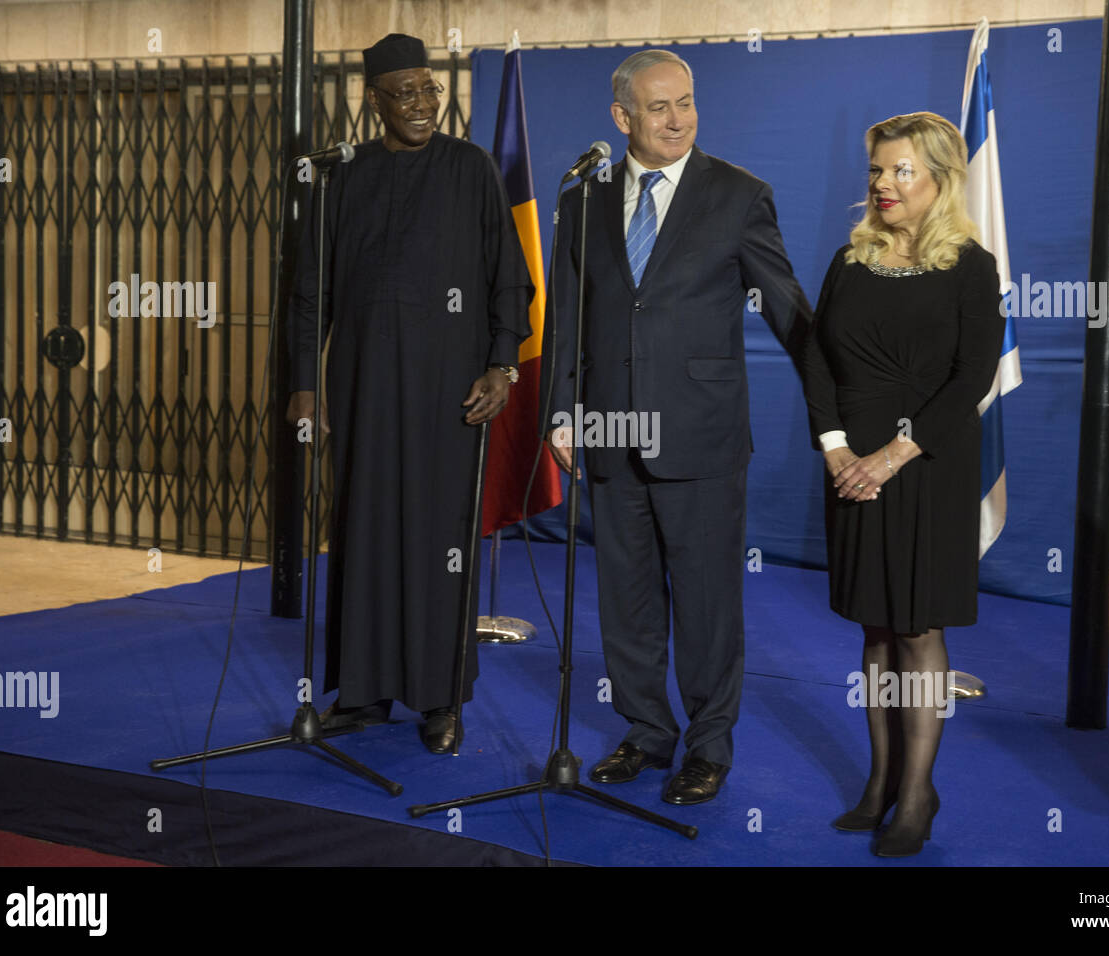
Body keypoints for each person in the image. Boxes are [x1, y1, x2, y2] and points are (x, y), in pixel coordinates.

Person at [543, 49, 811, 805]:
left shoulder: (739, 195)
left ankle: (708, 746)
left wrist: (849, 396)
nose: (678, 119)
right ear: (621, 118)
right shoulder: (583, 199)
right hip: (610, 430)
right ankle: (645, 731)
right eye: (659, 108)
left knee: (706, 602)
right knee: (625, 599)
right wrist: (561, 409)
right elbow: (567, 314)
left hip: (700, 433)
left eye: (686, 102)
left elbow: (789, 310)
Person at [286, 33, 532, 754]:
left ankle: (440, 699)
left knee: (436, 540)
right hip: (361, 384)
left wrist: (501, 365)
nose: (422, 105)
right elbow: (310, 294)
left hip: (448, 390)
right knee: (360, 530)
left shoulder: (472, 168)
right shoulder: (345, 176)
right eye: (405, 94)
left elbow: (508, 279)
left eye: (430, 90)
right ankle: (361, 693)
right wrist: (305, 385)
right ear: (374, 100)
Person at [800, 112, 1005, 855]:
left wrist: (891, 455)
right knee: (876, 626)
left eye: (900, 171)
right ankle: (882, 778)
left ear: (940, 180)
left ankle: (918, 792)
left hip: (926, 466)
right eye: (877, 172)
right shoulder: (850, 259)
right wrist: (835, 450)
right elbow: (818, 360)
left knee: (917, 628)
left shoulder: (971, 266)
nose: (883, 185)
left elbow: (969, 380)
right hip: (851, 465)